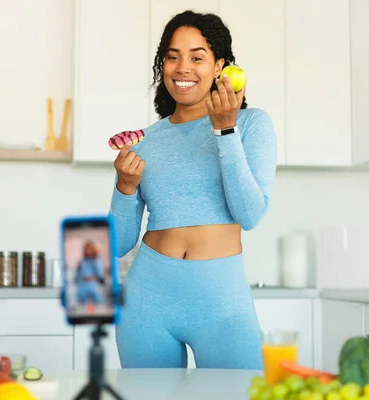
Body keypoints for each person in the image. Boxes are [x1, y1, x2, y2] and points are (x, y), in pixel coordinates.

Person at [108, 10, 277, 370]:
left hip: (221, 301)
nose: (183, 68)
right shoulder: (146, 141)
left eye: (197, 57)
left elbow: (250, 215)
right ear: (162, 65)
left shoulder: (251, 124)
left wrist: (224, 131)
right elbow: (119, 244)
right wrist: (124, 188)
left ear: (219, 66)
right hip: (147, 300)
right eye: (173, 57)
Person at [74, 241, 105, 305]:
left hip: (94, 284)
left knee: (98, 304)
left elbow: (100, 274)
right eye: (86, 249)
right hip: (83, 284)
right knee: (81, 304)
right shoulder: (82, 261)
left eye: (89, 249)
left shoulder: (97, 260)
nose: (88, 251)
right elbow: (77, 275)